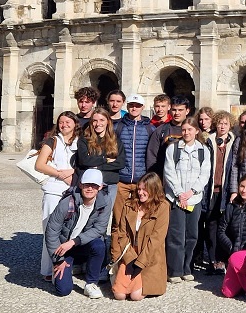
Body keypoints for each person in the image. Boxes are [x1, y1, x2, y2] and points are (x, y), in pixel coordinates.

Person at [46, 168, 112, 299]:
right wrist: (58, 261)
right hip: (64, 248)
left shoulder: (105, 202)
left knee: (99, 245)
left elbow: (99, 229)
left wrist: (74, 242)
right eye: (87, 184)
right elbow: (52, 231)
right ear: (81, 184)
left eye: (94, 186)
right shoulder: (67, 202)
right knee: (63, 290)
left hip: (81, 243)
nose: (90, 188)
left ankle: (91, 283)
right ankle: (69, 266)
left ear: (100, 187)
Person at [163, 117, 211, 282]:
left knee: (192, 235)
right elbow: (169, 172)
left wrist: (190, 193)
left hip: (194, 199)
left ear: (196, 131)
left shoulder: (203, 150)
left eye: (190, 129)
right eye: (184, 130)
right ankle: (175, 270)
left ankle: (187, 268)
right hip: (176, 198)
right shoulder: (173, 149)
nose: (186, 133)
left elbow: (204, 174)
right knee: (176, 234)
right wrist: (179, 194)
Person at [33, 111, 80, 279]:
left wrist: (73, 173)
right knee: (49, 230)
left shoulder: (79, 142)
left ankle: (65, 267)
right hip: (53, 190)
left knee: (68, 231)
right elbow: (39, 165)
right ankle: (47, 269)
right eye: (61, 122)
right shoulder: (52, 141)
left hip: (72, 190)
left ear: (75, 123)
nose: (64, 124)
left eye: (68, 121)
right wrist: (61, 174)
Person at [109, 172, 170, 301]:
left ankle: (146, 282)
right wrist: (130, 258)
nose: (140, 193)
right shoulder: (129, 205)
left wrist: (140, 262)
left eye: (145, 190)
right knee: (119, 295)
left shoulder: (163, 207)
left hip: (149, 255)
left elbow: (157, 238)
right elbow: (122, 233)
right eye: (139, 189)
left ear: (154, 190)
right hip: (130, 252)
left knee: (135, 296)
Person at [113, 94, 156, 230]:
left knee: (140, 219)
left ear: (142, 107)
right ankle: (116, 250)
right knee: (118, 219)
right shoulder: (118, 127)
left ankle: (135, 249)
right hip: (121, 180)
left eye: (137, 106)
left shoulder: (150, 128)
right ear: (127, 106)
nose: (134, 108)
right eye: (131, 105)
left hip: (141, 180)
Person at [203, 109, 237, 274]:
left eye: (225, 123)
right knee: (211, 226)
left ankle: (223, 260)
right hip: (210, 190)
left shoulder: (234, 142)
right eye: (220, 123)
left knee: (225, 226)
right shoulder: (208, 141)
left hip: (226, 190)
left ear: (230, 125)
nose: (222, 126)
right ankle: (212, 260)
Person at [74, 107, 123, 212]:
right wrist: (105, 159)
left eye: (102, 120)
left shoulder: (116, 140)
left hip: (108, 184)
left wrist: (96, 165)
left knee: (103, 219)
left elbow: (120, 162)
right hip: (89, 186)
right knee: (85, 216)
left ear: (108, 122)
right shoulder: (84, 140)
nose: (98, 123)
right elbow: (84, 160)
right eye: (95, 120)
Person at [146, 95, 189, 177]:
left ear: (187, 111)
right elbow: (151, 156)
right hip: (164, 177)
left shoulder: (194, 130)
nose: (177, 113)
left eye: (180, 110)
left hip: (188, 178)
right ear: (170, 110)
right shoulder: (160, 130)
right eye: (174, 110)